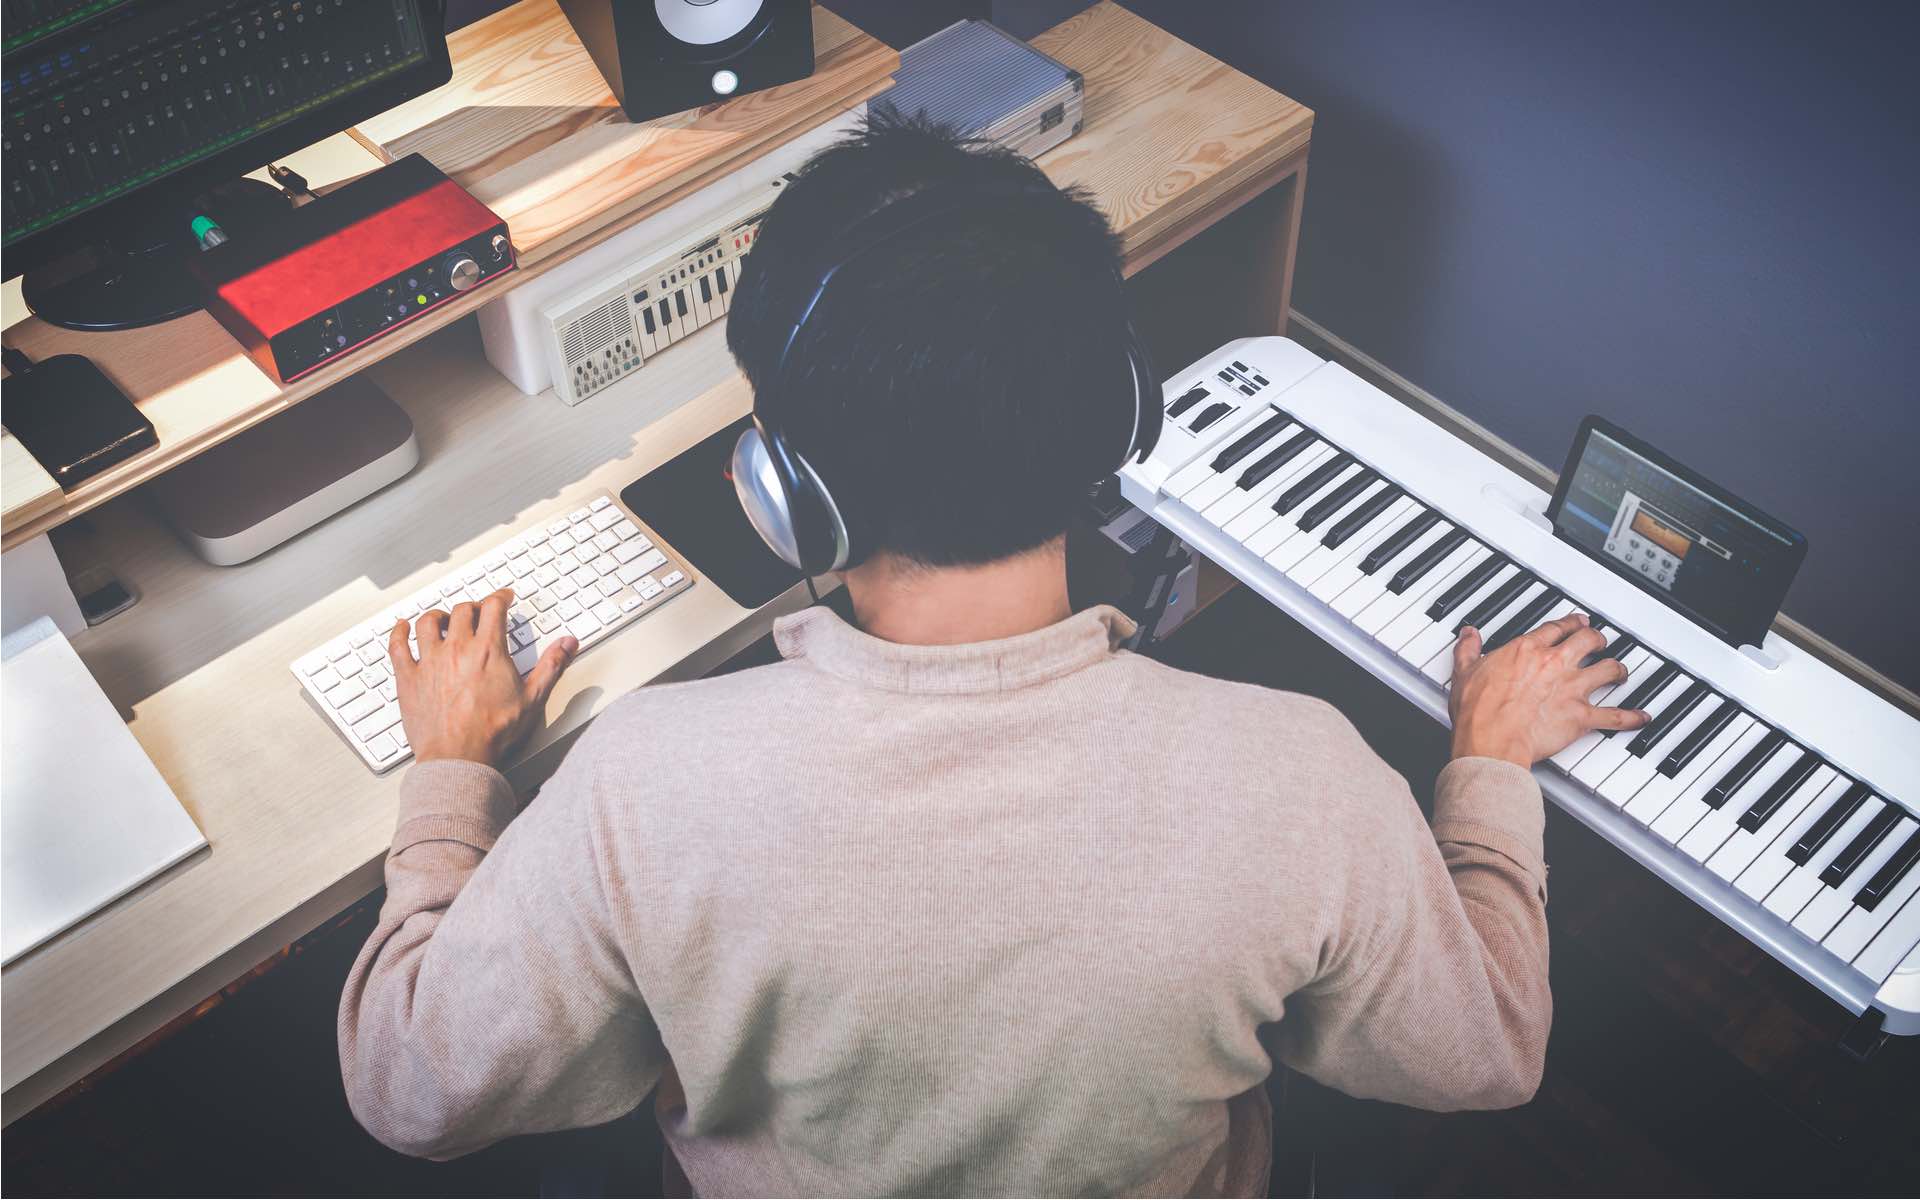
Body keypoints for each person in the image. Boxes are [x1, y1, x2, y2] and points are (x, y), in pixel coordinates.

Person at [337, 113, 1648, 1196]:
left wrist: (451, 776)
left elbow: (411, 1090)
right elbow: (1485, 1056)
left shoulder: (638, 787)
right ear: (1119, 421)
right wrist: (1484, 772)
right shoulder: (1303, 777)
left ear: (787, 493)